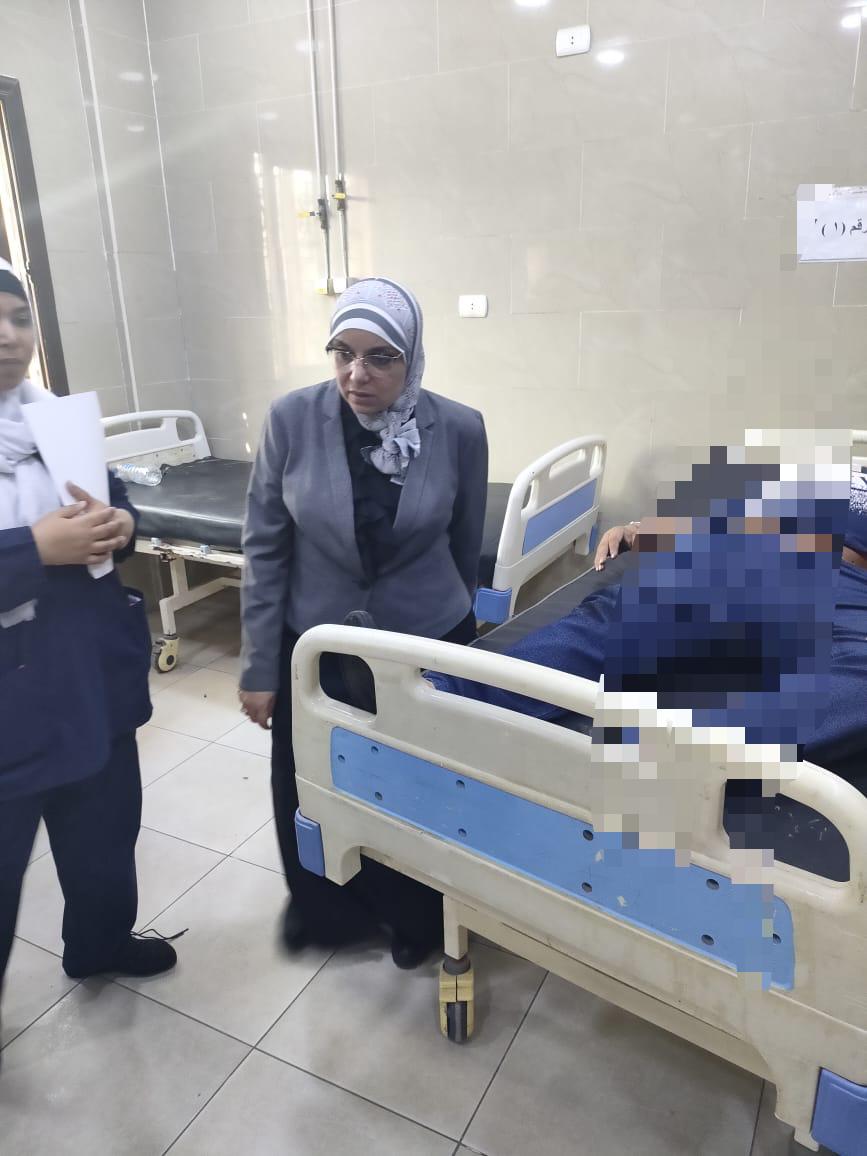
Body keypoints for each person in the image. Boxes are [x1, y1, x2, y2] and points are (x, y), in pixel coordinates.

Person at [239, 277, 488, 967]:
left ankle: (414, 916)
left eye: (381, 357)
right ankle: (329, 911)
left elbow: (465, 543)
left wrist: (455, 641)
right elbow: (264, 548)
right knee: (311, 775)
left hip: (422, 639)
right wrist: (259, 666)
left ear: (412, 357)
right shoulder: (291, 420)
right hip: (315, 641)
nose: (357, 374)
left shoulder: (459, 428)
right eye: (342, 353)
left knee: (414, 785)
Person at [0, 261, 176, 1041]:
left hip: (88, 677)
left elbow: (112, 504)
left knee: (103, 838)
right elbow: (46, 542)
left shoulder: (55, 422)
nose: (7, 336)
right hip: (9, 700)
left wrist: (123, 525)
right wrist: (33, 548)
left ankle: (99, 945)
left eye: (19, 318)